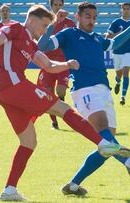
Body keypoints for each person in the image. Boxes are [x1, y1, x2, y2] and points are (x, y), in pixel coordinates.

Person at [0, 5, 130, 201]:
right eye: (44, 25)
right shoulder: (16, 28)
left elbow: (49, 65)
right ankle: (103, 144)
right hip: (14, 85)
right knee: (62, 108)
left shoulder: (30, 43)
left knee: (29, 142)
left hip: (5, 93)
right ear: (32, 19)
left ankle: (9, 190)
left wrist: (67, 65)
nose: (44, 30)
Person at [38, 2, 130, 195]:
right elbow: (43, 46)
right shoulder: (69, 34)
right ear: (78, 16)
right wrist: (54, 23)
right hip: (83, 91)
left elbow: (116, 43)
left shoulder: (98, 39)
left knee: (106, 147)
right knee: (105, 136)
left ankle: (72, 185)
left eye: (94, 17)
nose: (92, 20)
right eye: (87, 16)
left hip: (105, 92)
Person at [36, 0, 76, 130]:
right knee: (47, 93)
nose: (58, 7)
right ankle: (54, 122)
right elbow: (39, 42)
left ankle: (65, 115)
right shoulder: (45, 23)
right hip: (47, 62)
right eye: (55, 5)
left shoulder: (69, 23)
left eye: (60, 5)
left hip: (63, 62)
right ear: (51, 6)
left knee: (61, 90)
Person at [106, 2, 130, 105]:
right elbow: (108, 37)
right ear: (121, 10)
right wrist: (118, 34)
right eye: (124, 9)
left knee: (126, 73)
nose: (126, 10)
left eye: (128, 9)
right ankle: (118, 82)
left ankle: (123, 97)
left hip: (129, 51)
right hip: (117, 51)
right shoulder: (116, 22)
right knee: (118, 74)